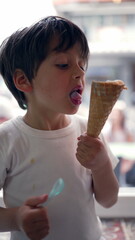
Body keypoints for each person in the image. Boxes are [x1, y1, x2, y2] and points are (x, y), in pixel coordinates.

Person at [0, 16, 119, 240]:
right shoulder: (8, 139)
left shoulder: (87, 130)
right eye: (63, 64)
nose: (79, 73)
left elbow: (109, 200)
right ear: (23, 80)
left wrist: (101, 165)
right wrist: (17, 218)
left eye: (82, 65)